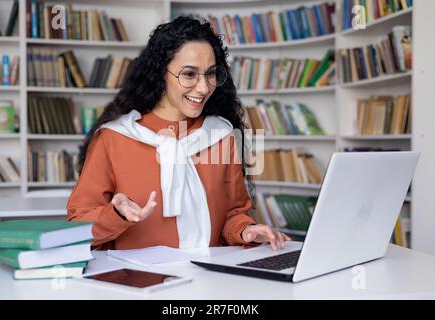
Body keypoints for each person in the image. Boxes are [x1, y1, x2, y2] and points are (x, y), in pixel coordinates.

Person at [67, 16, 290, 251]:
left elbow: (233, 213)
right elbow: (77, 226)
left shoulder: (221, 135)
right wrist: (115, 214)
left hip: (208, 278)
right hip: (137, 281)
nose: (204, 88)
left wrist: (246, 230)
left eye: (211, 73)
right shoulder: (113, 138)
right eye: (189, 74)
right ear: (160, 73)